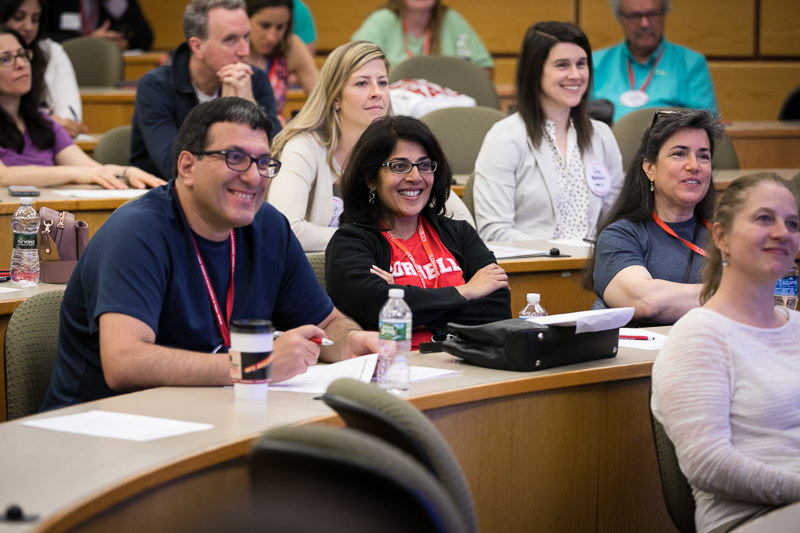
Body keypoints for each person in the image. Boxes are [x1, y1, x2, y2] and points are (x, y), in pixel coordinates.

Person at [41, 97, 380, 411]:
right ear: (187, 166)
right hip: (106, 427)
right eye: (235, 158)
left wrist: (350, 342)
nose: (252, 177)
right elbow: (124, 362)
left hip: (208, 411)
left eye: (263, 162)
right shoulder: (136, 233)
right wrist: (257, 364)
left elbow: (326, 324)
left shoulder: (269, 227)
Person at [651, 172, 800, 533]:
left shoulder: (796, 325)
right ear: (721, 237)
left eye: (792, 223)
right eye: (765, 218)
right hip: (749, 520)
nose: (782, 232)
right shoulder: (699, 335)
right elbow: (709, 464)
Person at [268, 40, 473, 252]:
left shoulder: (402, 146)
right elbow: (284, 230)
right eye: (362, 83)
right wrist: (376, 239)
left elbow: (464, 224)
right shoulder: (303, 147)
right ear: (335, 96)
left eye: (383, 83)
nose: (377, 92)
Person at [326, 115, 510, 348]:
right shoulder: (351, 242)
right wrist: (467, 292)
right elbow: (374, 308)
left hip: (468, 360)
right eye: (399, 166)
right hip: (397, 365)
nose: (415, 177)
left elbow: (497, 306)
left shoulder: (460, 233)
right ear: (372, 179)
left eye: (424, 166)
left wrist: (401, 298)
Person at [473, 22, 623, 242]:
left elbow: (616, 220)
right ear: (535, 71)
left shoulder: (601, 135)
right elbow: (494, 232)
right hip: (533, 270)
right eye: (562, 65)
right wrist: (560, 256)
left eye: (581, 64)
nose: (576, 75)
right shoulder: (505, 137)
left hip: (596, 269)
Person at [585, 109, 723, 325]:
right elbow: (646, 302)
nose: (694, 166)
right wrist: (734, 293)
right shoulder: (621, 236)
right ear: (650, 168)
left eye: (703, 156)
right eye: (679, 153)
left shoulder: (724, 235)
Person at [130, 0, 281, 179]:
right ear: (197, 46)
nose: (244, 51)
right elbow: (175, 165)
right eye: (230, 40)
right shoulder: (156, 87)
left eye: (246, 37)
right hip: (165, 199)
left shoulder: (254, 80)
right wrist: (227, 114)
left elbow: (278, 156)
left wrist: (251, 108)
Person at [0, 26, 163, 188]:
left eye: (22, 55)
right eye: (5, 59)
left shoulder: (44, 124)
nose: (21, 64)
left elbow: (91, 168)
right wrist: (73, 173)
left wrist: (126, 172)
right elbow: (3, 177)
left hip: (45, 212)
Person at [592, 0, 717, 122]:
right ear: (619, 18)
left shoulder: (691, 64)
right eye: (635, 16)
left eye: (653, 14)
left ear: (664, 14)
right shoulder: (594, 63)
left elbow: (705, 128)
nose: (645, 24)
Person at [1, 0, 86, 138]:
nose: (28, 27)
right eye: (18, 17)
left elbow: (71, 120)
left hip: (49, 144)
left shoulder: (51, 51)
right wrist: (46, 122)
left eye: (35, 19)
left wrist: (39, 124)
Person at [351, 0, 492, 69]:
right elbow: (354, 64)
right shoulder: (382, 19)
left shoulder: (451, 19)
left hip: (443, 107)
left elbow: (484, 68)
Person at [246, 0, 317, 123]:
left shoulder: (291, 47)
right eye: (265, 25)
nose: (272, 37)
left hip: (276, 135)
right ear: (245, 18)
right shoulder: (229, 50)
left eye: (280, 27)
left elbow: (322, 97)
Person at [43, 0, 153, 50]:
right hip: (66, 62)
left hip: (104, 66)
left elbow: (145, 39)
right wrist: (86, 42)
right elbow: (41, 37)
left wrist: (113, 2)